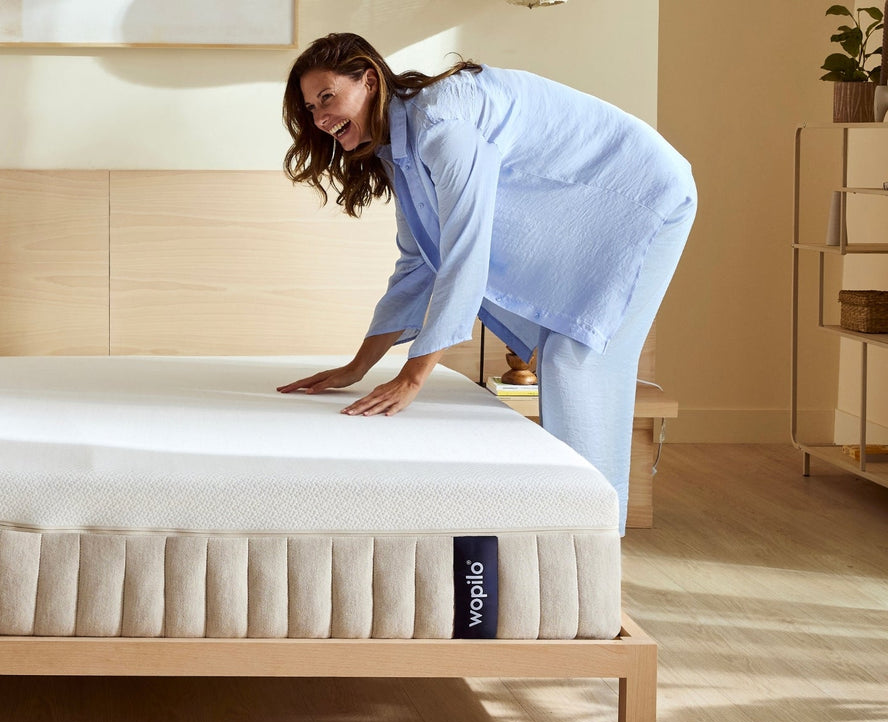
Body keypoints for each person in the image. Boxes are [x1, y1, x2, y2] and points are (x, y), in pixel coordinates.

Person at [275, 33, 695, 535]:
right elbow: (418, 263)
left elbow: (465, 252)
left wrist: (413, 378)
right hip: (598, 200)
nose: (320, 118)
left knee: (576, 360)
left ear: (369, 81)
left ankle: (592, 544)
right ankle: (579, 535)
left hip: (646, 193)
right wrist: (358, 366)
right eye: (310, 107)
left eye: (328, 98)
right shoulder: (396, 149)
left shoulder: (440, 125)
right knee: (564, 354)